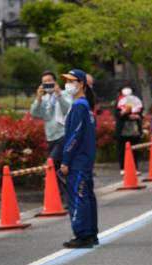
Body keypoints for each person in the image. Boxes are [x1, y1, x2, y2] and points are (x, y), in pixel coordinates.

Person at [59, 69, 99, 248]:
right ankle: (91, 233)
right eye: (66, 81)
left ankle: (83, 235)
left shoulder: (79, 106)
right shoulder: (85, 106)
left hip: (77, 160)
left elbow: (74, 135)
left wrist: (66, 160)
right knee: (87, 196)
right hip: (85, 159)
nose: (68, 84)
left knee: (78, 197)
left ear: (81, 84)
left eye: (72, 81)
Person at [29, 70, 73, 202]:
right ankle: (65, 196)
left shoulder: (65, 94)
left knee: (51, 162)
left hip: (64, 134)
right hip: (51, 137)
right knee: (59, 168)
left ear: (55, 82)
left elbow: (68, 109)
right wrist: (38, 98)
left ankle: (63, 195)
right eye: (44, 82)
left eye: (49, 81)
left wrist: (58, 95)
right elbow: (35, 113)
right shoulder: (44, 99)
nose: (47, 84)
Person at [114, 85, 144, 174]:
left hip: (134, 128)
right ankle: (123, 168)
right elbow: (117, 114)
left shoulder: (136, 100)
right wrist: (123, 113)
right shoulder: (119, 101)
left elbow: (141, 112)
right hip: (122, 129)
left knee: (134, 149)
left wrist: (137, 116)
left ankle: (135, 168)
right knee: (122, 149)